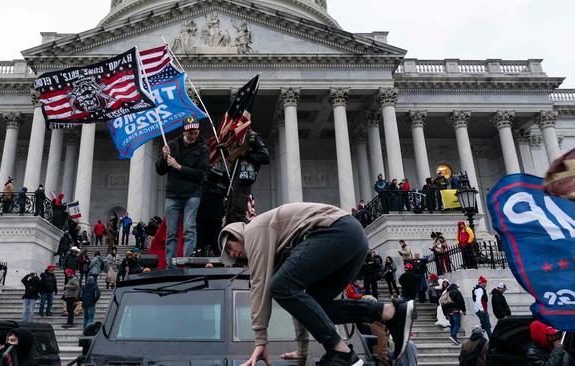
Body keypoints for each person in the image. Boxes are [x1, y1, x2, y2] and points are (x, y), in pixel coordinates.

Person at [218, 202, 415, 365]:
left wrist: (260, 340)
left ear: (237, 234)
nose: (232, 254)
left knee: (279, 286)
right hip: (353, 238)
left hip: (337, 231)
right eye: (229, 256)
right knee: (316, 305)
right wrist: (303, 351)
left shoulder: (254, 230)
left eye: (229, 247)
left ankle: (342, 353)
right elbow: (301, 307)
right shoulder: (277, 249)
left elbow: (260, 287)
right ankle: (389, 312)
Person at [156, 118, 208, 266]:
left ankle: (187, 263)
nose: (193, 135)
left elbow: (201, 175)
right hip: (173, 195)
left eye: (196, 132)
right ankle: (170, 264)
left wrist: (179, 167)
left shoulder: (203, 149)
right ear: (184, 131)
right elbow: (160, 170)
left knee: (189, 229)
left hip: (192, 194)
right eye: (191, 132)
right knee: (171, 233)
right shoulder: (172, 145)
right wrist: (164, 157)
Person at [225, 129, 270, 224]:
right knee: (230, 213)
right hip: (234, 179)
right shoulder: (236, 139)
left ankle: (243, 235)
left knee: (237, 213)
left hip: (244, 179)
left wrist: (246, 155)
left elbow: (265, 157)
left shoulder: (252, 137)